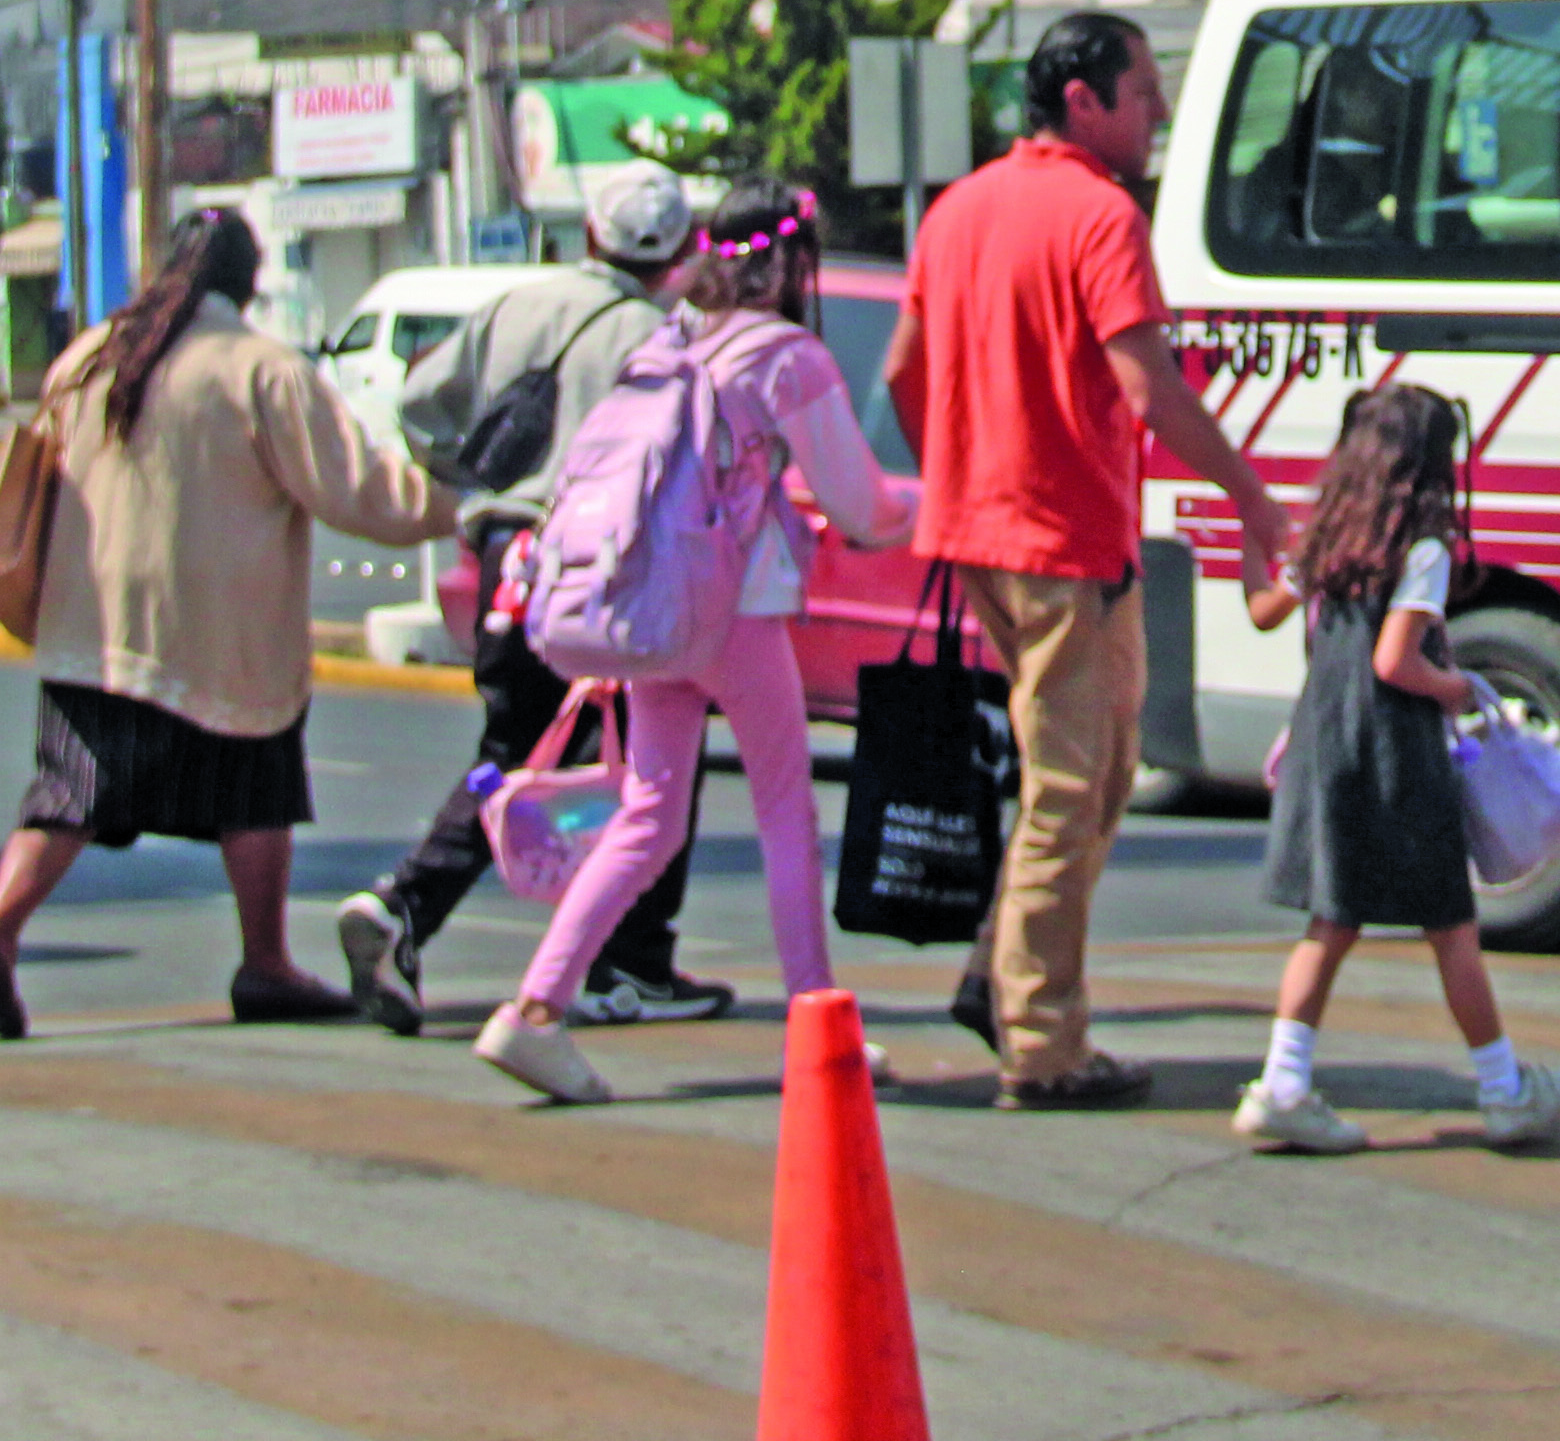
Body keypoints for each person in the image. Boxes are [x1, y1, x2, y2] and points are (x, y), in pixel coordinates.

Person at [885, 12, 1291, 1111]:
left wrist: (961, 471)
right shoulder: (1099, 216)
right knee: (1071, 789)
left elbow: (901, 373)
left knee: (1101, 769)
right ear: (1083, 101)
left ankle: (996, 976)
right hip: (1061, 546)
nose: (1156, 112)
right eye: (1142, 92)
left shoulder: (960, 210)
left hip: (991, 538)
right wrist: (1255, 502)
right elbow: (1149, 390)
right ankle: (1042, 1045)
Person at [472, 178, 918, 1103]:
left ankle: (535, 1008)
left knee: (650, 815)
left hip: (656, 604)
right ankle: (817, 1025)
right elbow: (861, 505)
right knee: (786, 812)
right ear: (795, 260)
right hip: (736, 611)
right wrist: (927, 509)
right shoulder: (787, 355)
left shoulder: (674, 334)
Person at [0, 209, 458, 1039]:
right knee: (254, 786)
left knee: (71, 797)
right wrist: (459, 501)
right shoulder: (260, 368)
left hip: (95, 626)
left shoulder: (88, 360)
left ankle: (1, 932)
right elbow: (357, 491)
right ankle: (266, 962)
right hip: (218, 634)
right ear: (248, 283)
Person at [335, 161, 727, 1036]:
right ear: (677, 256)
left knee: (513, 751)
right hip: (606, 576)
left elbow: (421, 404)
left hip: (508, 561)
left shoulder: (515, 307)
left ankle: (405, 907)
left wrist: (476, 486)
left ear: (590, 235)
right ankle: (634, 961)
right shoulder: (661, 337)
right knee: (655, 756)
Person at [1230, 384, 1560, 1152]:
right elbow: (1395, 660)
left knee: (1328, 922)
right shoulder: (1421, 548)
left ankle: (1282, 1085)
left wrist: (1245, 542)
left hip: (1326, 746)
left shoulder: (1327, 534)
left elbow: (1264, 610)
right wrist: (1455, 685)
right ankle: (1505, 1091)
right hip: (1395, 757)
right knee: (1452, 929)